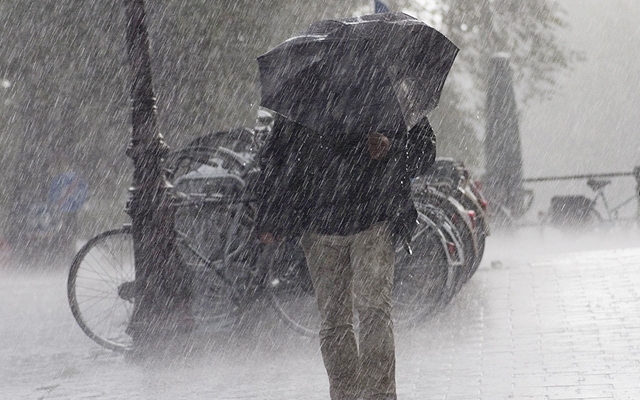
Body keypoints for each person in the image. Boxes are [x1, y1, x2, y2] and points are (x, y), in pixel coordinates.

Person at [254, 112, 436, 400]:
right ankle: (346, 395)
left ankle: (379, 395)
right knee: (335, 320)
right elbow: (277, 157)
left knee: (373, 311)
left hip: (374, 220)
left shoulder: (386, 90)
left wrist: (392, 148)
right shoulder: (305, 93)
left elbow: (424, 152)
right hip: (319, 225)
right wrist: (271, 217)